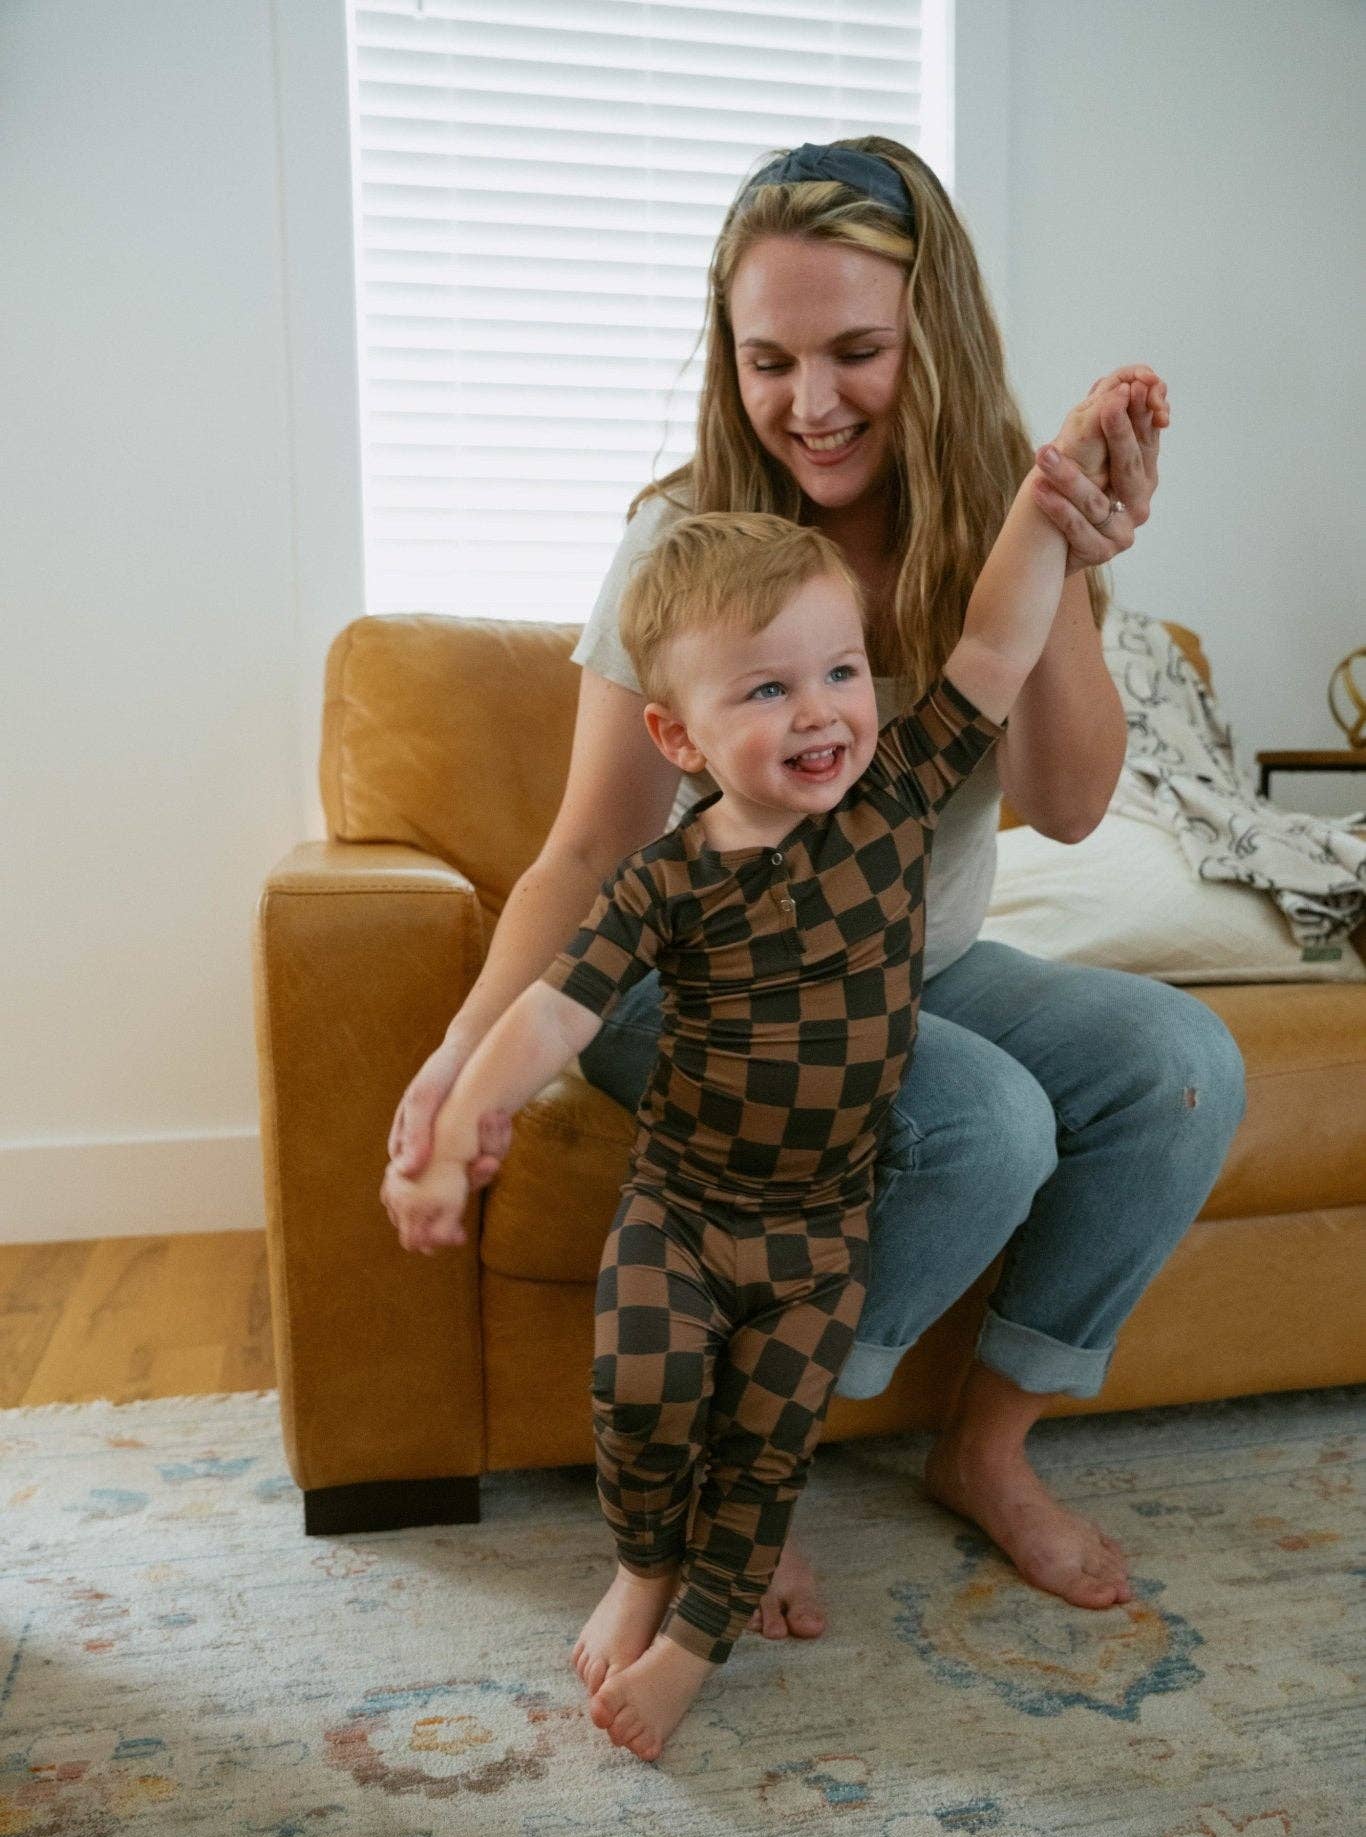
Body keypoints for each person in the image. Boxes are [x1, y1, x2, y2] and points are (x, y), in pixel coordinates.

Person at [385, 137, 1245, 1636]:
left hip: (914, 960)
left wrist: (1060, 562)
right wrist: (470, 1055)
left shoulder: (1012, 532)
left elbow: (1064, 803)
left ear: (938, 340)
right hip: (701, 976)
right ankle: (736, 1465)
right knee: (978, 1120)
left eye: (856, 351)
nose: (810, 403)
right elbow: (591, 850)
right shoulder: (684, 539)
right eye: (767, 359)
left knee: (1179, 1066)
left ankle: (981, 1453)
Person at [384, 410, 1118, 1756]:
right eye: (765, 692)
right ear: (676, 736)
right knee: (641, 1411)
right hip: (678, 1215)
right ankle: (641, 1568)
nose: (821, 712)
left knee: (763, 1458)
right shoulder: (670, 878)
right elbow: (555, 1008)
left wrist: (1044, 493)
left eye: (839, 673)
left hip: (819, 1237)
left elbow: (996, 644)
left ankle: (690, 1651)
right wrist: (452, 1123)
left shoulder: (895, 802)